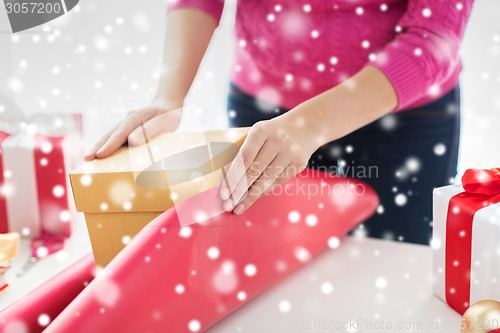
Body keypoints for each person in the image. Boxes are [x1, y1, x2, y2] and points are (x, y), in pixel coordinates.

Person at [85, 1, 473, 245]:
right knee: (266, 273)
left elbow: (434, 37)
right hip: (264, 109)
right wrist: (169, 96)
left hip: (403, 117)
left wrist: (310, 124)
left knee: (389, 269)